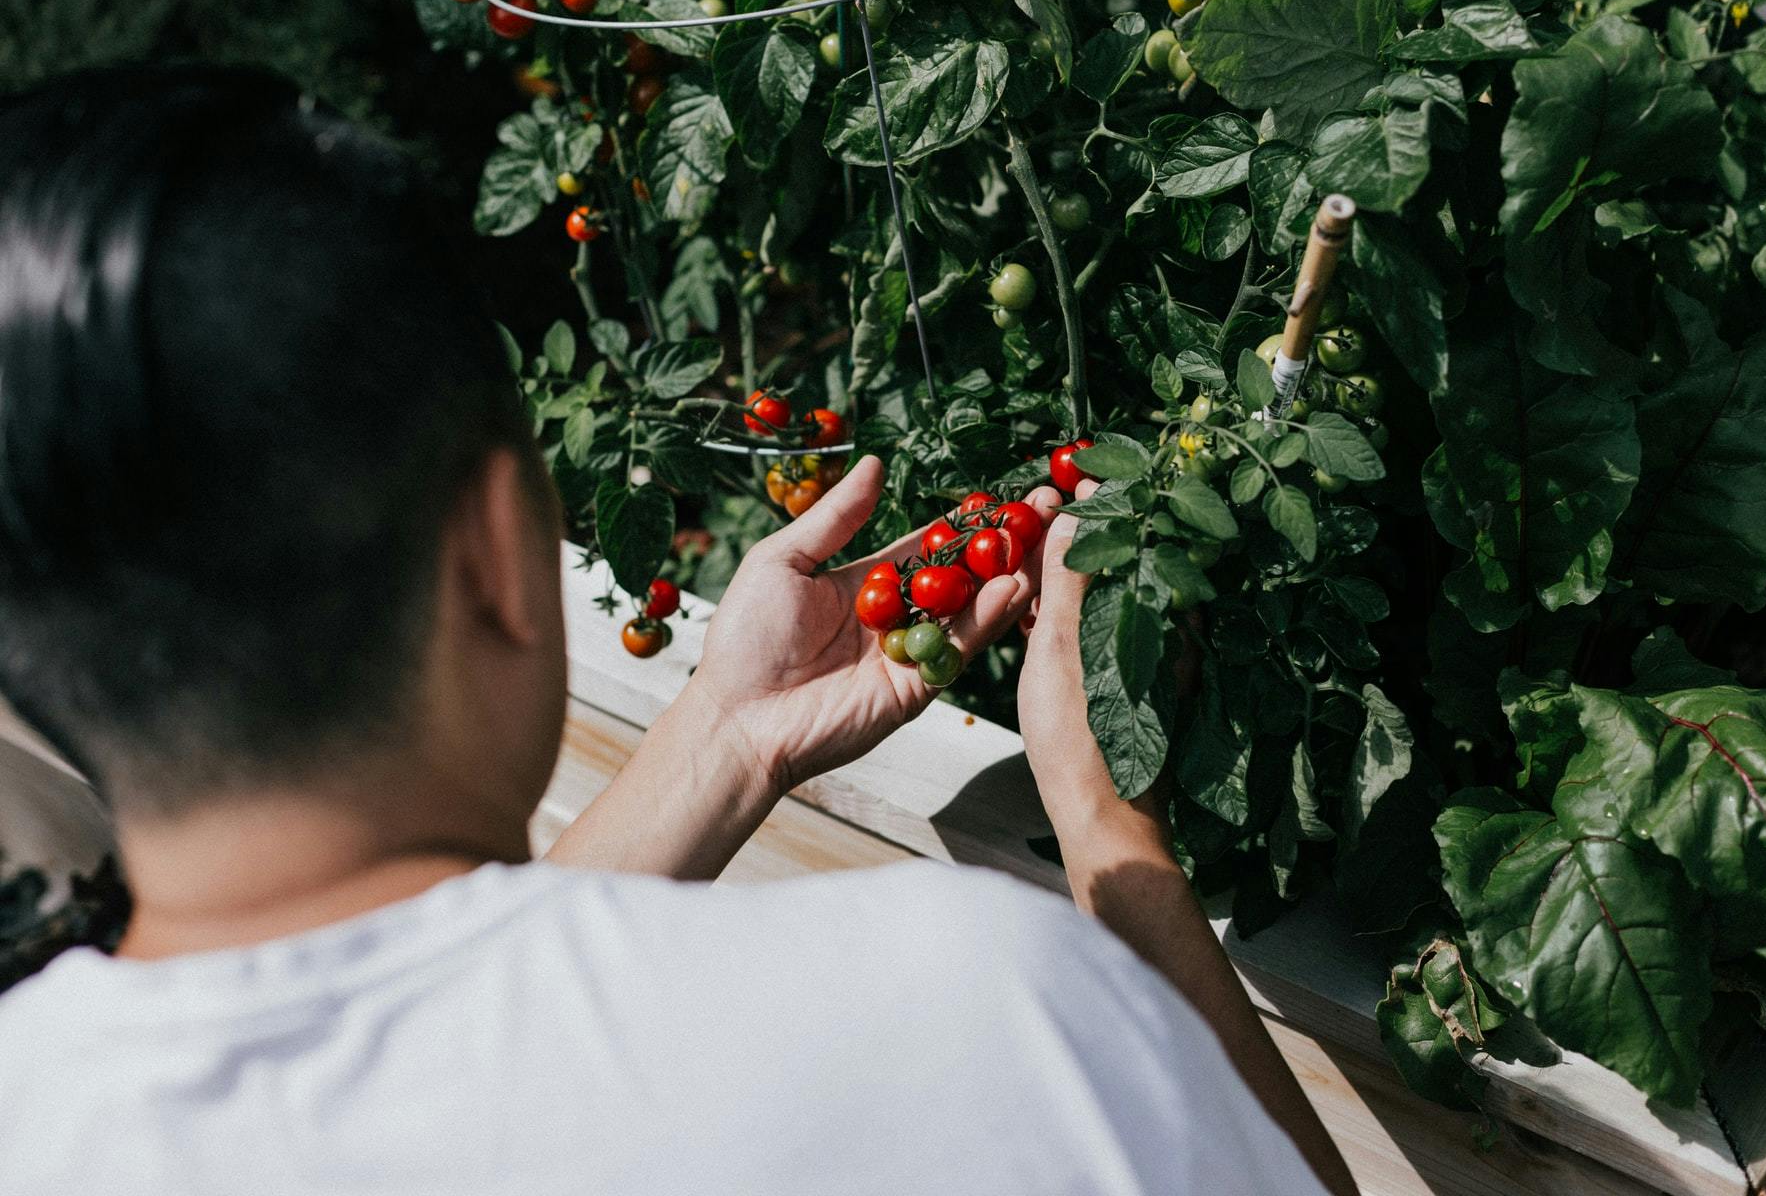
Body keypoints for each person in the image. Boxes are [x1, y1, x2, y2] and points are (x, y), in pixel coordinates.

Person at [0, 67, 1357, 1196]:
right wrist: (1112, 840)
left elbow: (429, 1009)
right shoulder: (975, 1014)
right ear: (492, 553)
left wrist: (723, 733)